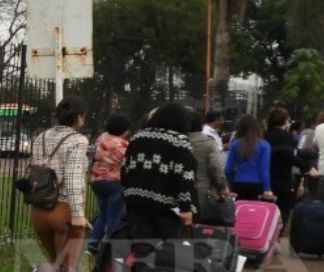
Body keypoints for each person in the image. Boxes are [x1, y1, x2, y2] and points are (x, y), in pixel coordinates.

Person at [28, 95, 91, 267]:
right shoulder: (78, 140)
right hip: (63, 210)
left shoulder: (41, 137)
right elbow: (73, 177)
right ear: (79, 117)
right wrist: (78, 215)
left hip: (39, 210)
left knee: (55, 264)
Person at [122, 102, 198, 240]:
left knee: (140, 245)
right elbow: (184, 177)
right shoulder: (180, 141)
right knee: (164, 250)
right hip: (165, 206)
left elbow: (125, 169)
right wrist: (186, 208)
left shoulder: (138, 137)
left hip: (136, 202)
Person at [86, 112, 132, 255]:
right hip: (114, 183)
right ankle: (112, 247)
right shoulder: (124, 145)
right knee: (114, 216)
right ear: (125, 130)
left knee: (103, 214)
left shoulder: (101, 138)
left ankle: (92, 244)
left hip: (97, 181)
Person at [264, 106, 313, 231]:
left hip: (265, 175)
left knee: (265, 208)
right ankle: (277, 235)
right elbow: (289, 156)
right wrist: (308, 167)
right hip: (282, 176)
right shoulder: (287, 137)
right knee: (284, 208)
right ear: (284, 121)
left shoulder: (264, 135)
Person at [186, 107, 228, 217]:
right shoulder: (208, 142)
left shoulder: (174, 141)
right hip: (202, 193)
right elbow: (215, 167)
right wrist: (222, 187)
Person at [224, 114, 274, 202]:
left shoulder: (235, 144)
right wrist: (267, 188)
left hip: (238, 183)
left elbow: (228, 169)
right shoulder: (264, 145)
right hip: (257, 184)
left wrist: (229, 185)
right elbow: (264, 171)